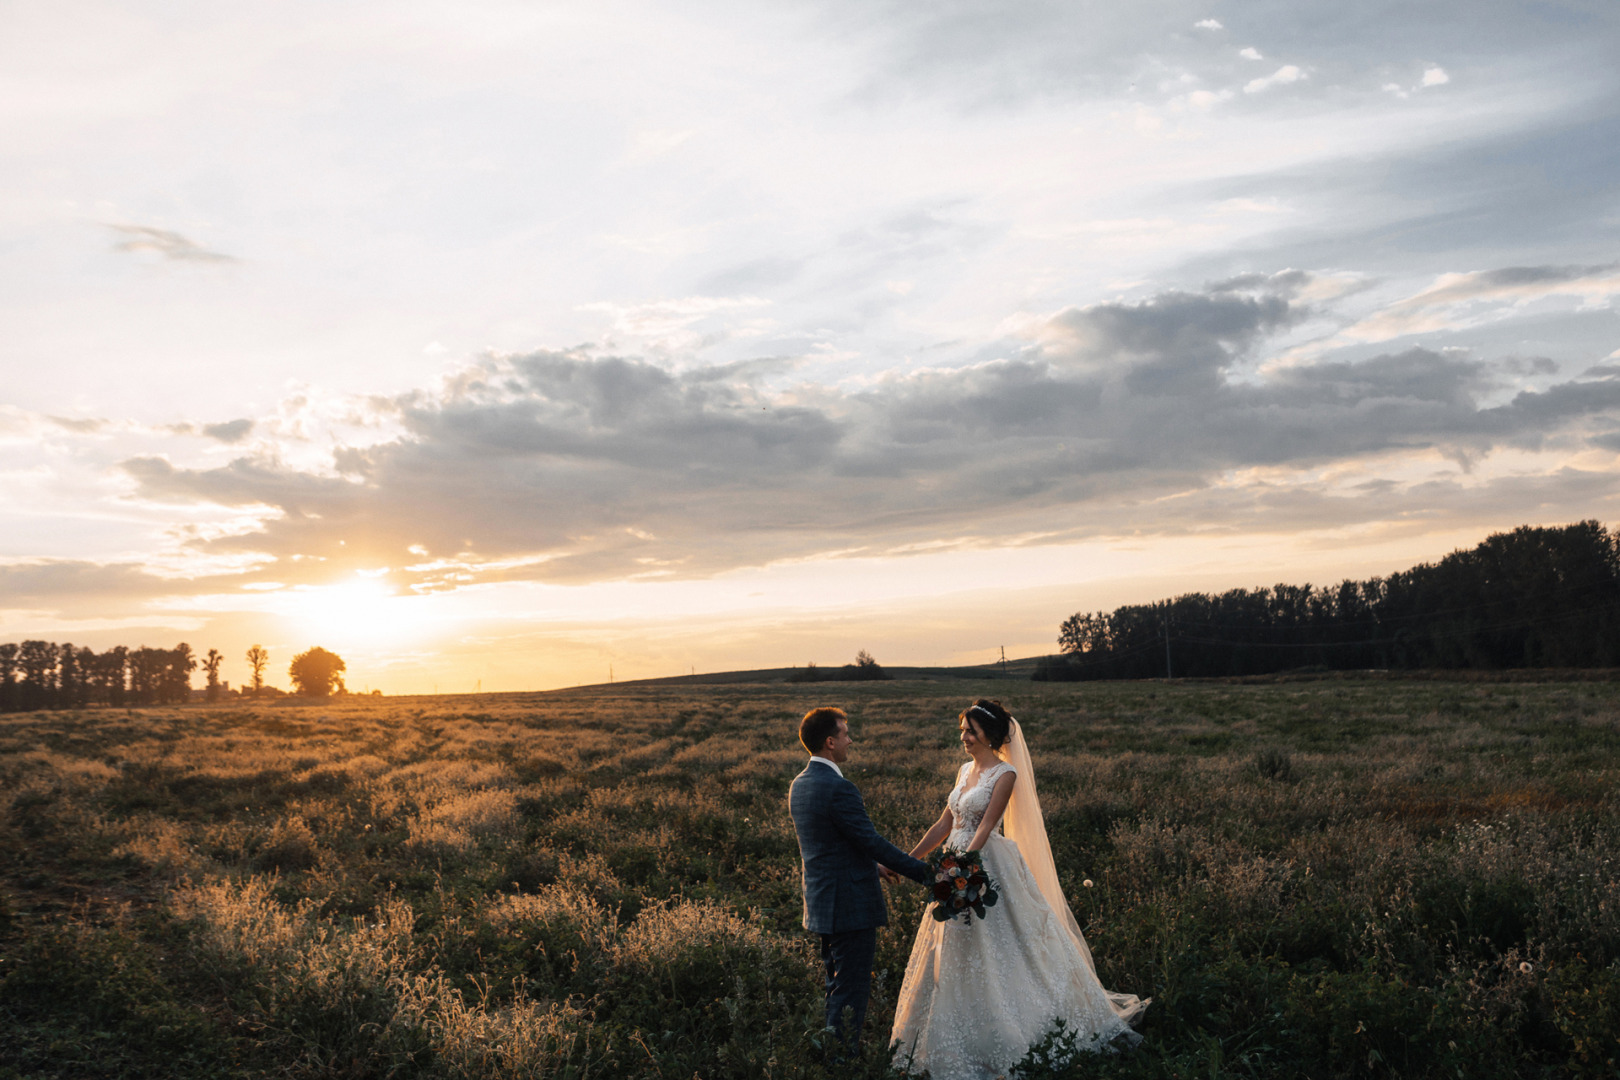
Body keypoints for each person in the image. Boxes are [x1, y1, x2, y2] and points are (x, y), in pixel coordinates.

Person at [889, 698, 1149, 1079]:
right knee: (953, 945)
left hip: (983, 864)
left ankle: (1014, 1022)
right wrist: (906, 860)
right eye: (962, 729)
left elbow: (985, 826)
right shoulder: (963, 770)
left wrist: (962, 868)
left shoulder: (1005, 774)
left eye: (970, 730)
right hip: (953, 865)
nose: (963, 735)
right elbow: (945, 824)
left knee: (999, 946)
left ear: (989, 735)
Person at [789, 706, 931, 1051]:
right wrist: (929, 875)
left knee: (836, 985)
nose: (850, 740)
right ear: (829, 742)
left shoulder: (800, 784)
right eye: (845, 734)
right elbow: (871, 841)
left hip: (822, 903)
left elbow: (832, 844)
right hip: (850, 905)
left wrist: (874, 868)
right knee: (851, 990)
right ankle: (840, 1059)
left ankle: (830, 1049)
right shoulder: (839, 788)